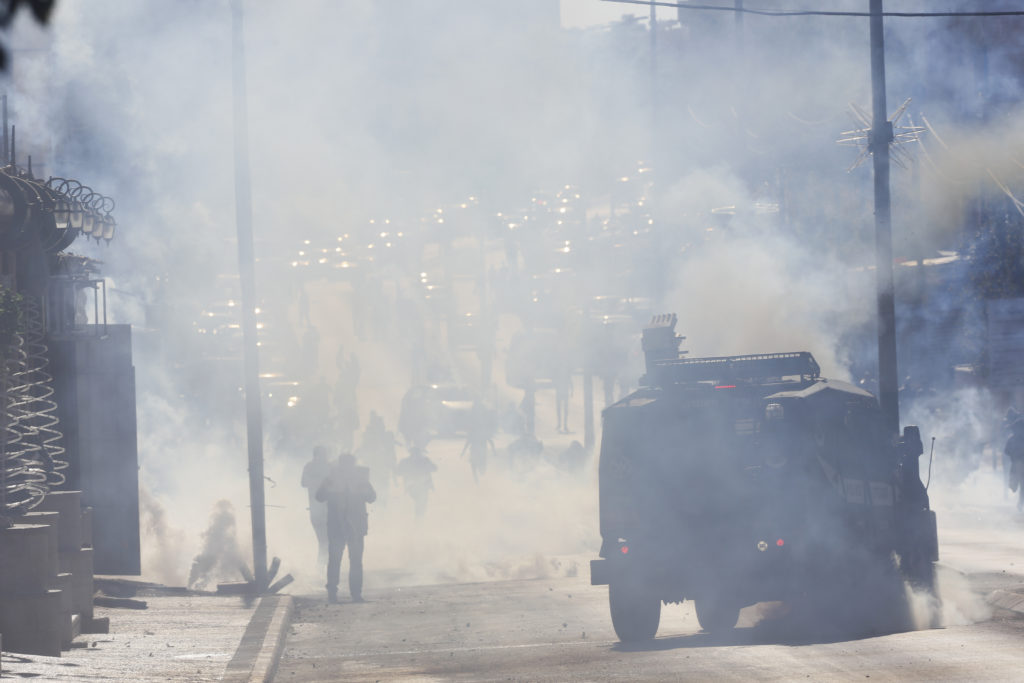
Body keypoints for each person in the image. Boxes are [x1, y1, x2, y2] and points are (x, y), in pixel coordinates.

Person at [316, 453, 376, 603]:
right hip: (345, 526)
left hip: (348, 526)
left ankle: (341, 594)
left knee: (342, 560)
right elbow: (320, 496)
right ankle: (347, 594)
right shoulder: (335, 479)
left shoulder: (356, 479)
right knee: (348, 560)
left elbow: (371, 497)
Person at [300, 446, 331, 564]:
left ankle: (324, 567)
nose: (325, 457)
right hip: (317, 509)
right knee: (323, 541)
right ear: (316, 455)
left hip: (330, 509)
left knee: (327, 542)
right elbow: (303, 483)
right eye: (323, 454)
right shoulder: (310, 467)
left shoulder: (329, 466)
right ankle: (322, 567)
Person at [396, 446, 437, 517]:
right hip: (421, 486)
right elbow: (434, 468)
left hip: (413, 486)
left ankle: (418, 520)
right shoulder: (424, 460)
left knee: (419, 504)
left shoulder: (406, 461)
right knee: (421, 504)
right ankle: (419, 520)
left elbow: (398, 472)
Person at [1005, 418, 1024, 511]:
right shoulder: (1011, 439)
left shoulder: (1012, 439)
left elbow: (1007, 451)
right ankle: (1019, 502)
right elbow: (1007, 451)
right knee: (1013, 486)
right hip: (1015, 465)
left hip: (1018, 465)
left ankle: (1020, 503)